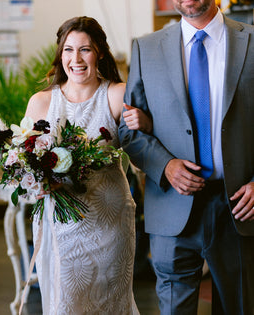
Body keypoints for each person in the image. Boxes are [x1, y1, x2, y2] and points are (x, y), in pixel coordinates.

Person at [118, 0, 254, 314]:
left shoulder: (250, 40)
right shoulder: (145, 48)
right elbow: (129, 130)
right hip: (171, 205)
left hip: (239, 208)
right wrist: (164, 165)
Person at [24, 16, 152, 314]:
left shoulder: (117, 94)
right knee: (65, 305)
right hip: (61, 226)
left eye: (85, 49)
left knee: (111, 304)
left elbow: (142, 156)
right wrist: (39, 181)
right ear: (60, 55)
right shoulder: (40, 102)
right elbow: (25, 167)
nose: (76, 59)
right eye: (68, 50)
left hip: (111, 223)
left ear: (100, 53)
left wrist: (145, 124)